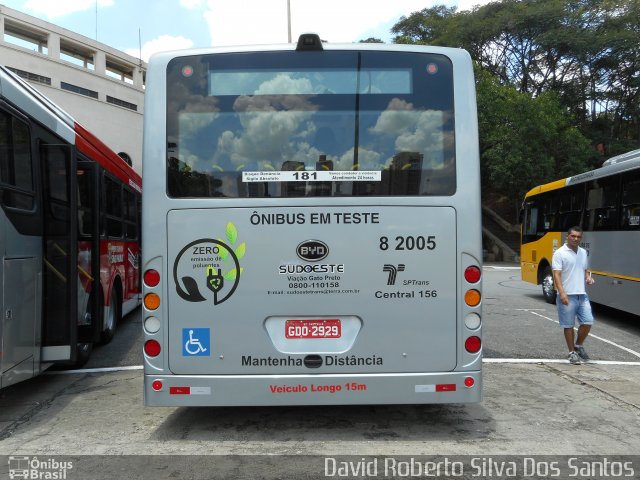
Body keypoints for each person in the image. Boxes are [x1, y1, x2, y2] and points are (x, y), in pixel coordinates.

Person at [552, 226, 595, 364]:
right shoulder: (559, 253)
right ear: (567, 236)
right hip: (567, 294)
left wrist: (588, 277)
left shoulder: (583, 252)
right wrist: (562, 293)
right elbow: (557, 275)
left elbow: (585, 270)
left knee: (588, 321)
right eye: (573, 236)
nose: (576, 239)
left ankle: (578, 345)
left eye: (578, 237)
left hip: (581, 294)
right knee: (568, 325)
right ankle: (571, 353)